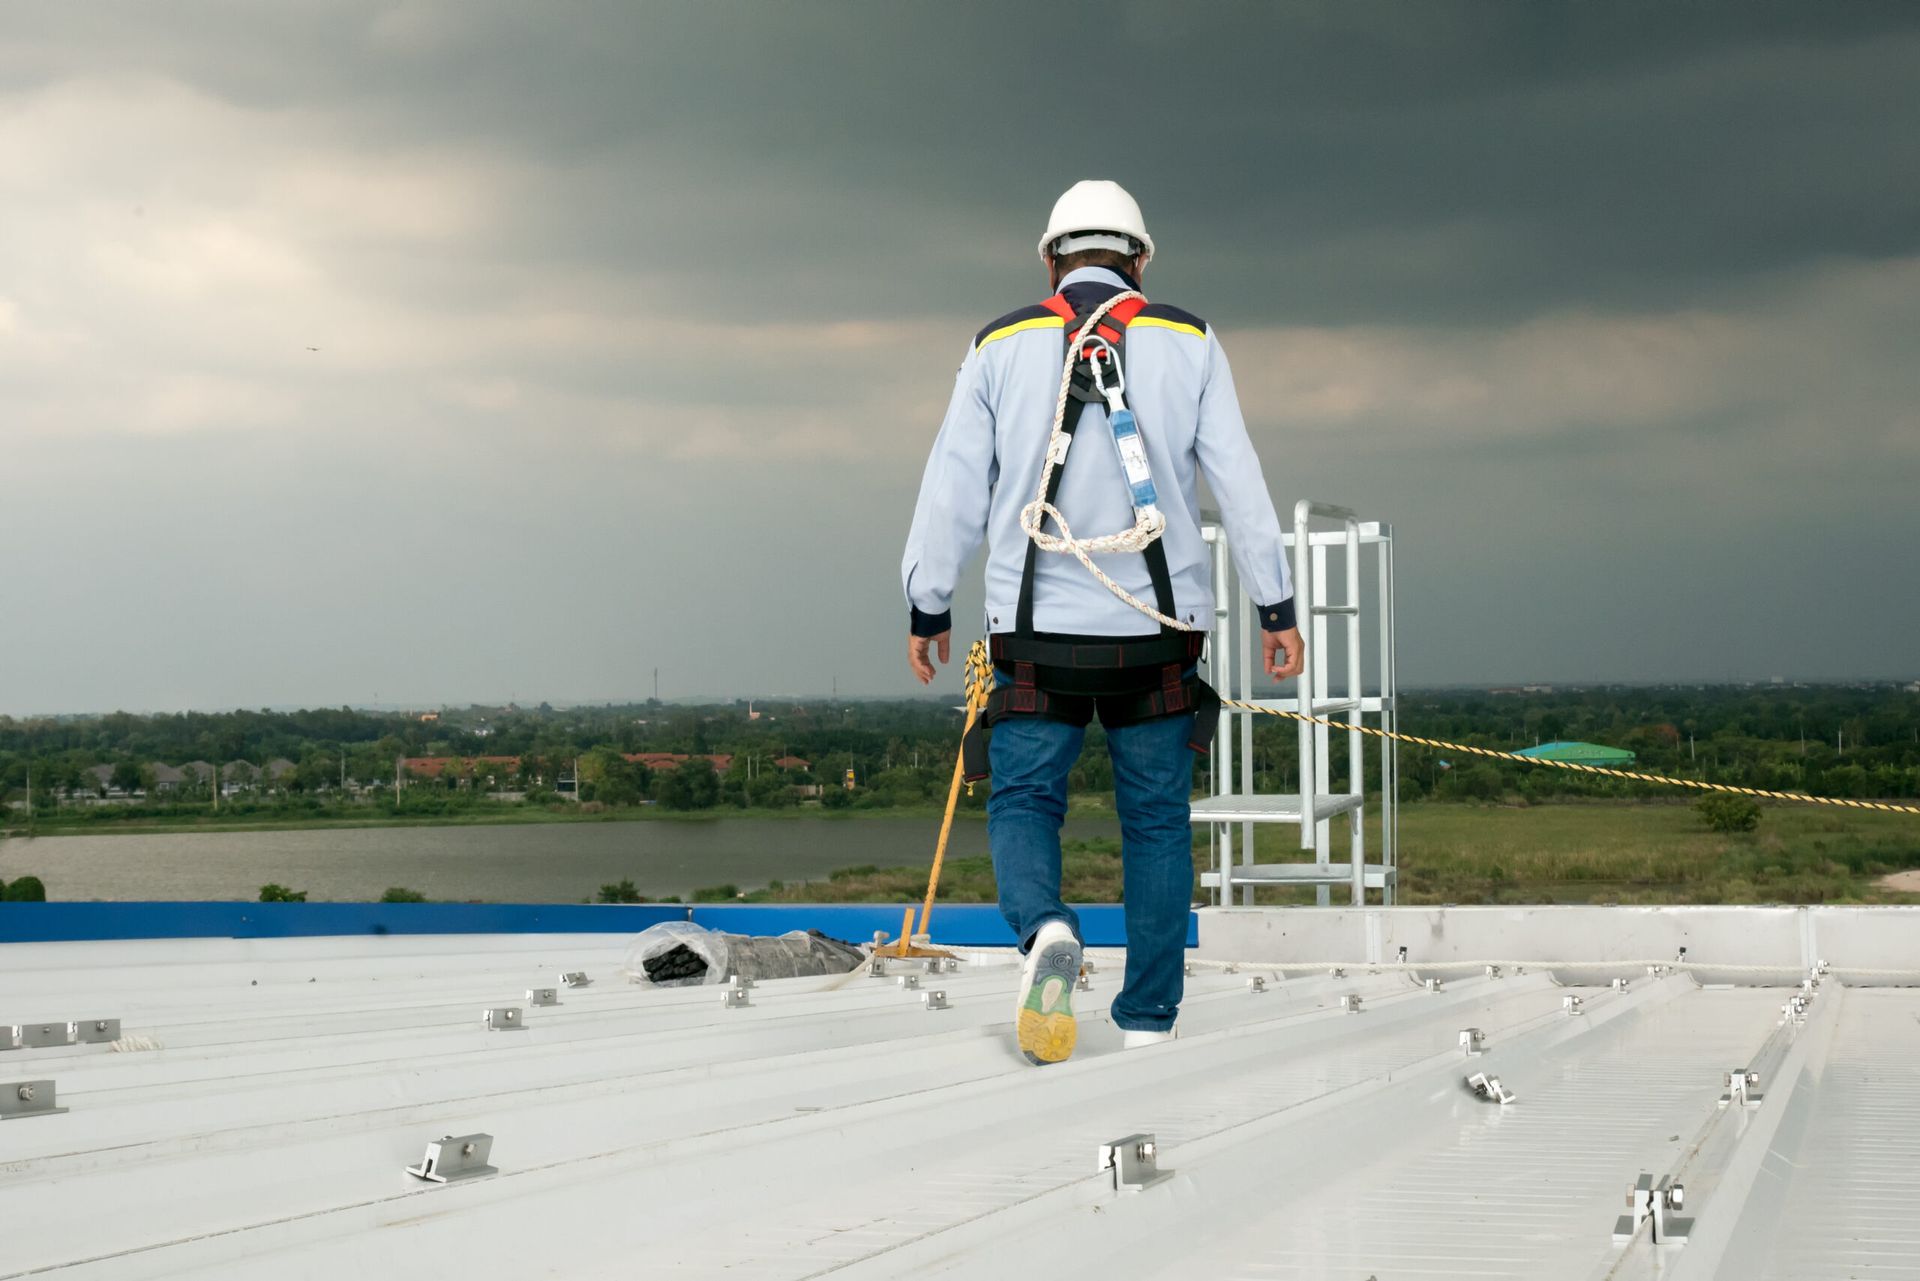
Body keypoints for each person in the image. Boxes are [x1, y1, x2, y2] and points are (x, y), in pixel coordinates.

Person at [901, 179, 1304, 1065]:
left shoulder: (999, 344)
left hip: (1036, 639)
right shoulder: (1188, 340)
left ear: (1050, 260)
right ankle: (1149, 1016)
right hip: (1156, 635)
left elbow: (952, 492)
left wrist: (929, 605)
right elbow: (1239, 481)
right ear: (1141, 261)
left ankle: (1045, 927)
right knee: (1155, 819)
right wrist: (1276, 604)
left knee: (1025, 797)